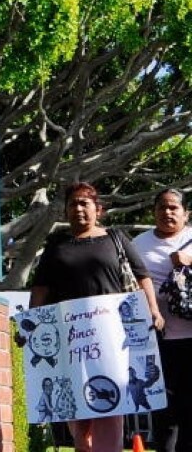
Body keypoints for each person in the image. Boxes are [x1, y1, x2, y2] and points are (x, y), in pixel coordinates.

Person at [29, 181, 164, 452]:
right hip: (72, 337)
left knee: (111, 398)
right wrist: (31, 325)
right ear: (65, 212)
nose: (78, 209)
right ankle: (83, 447)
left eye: (84, 203)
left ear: (98, 209)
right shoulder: (56, 246)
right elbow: (40, 288)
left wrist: (153, 310)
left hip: (112, 335)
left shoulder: (116, 238)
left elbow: (142, 276)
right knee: (77, 401)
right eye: (72, 204)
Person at [132, 188, 192, 452]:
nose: (167, 212)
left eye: (174, 208)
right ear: (153, 212)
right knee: (164, 411)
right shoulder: (138, 244)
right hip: (156, 340)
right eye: (162, 207)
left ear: (185, 213)